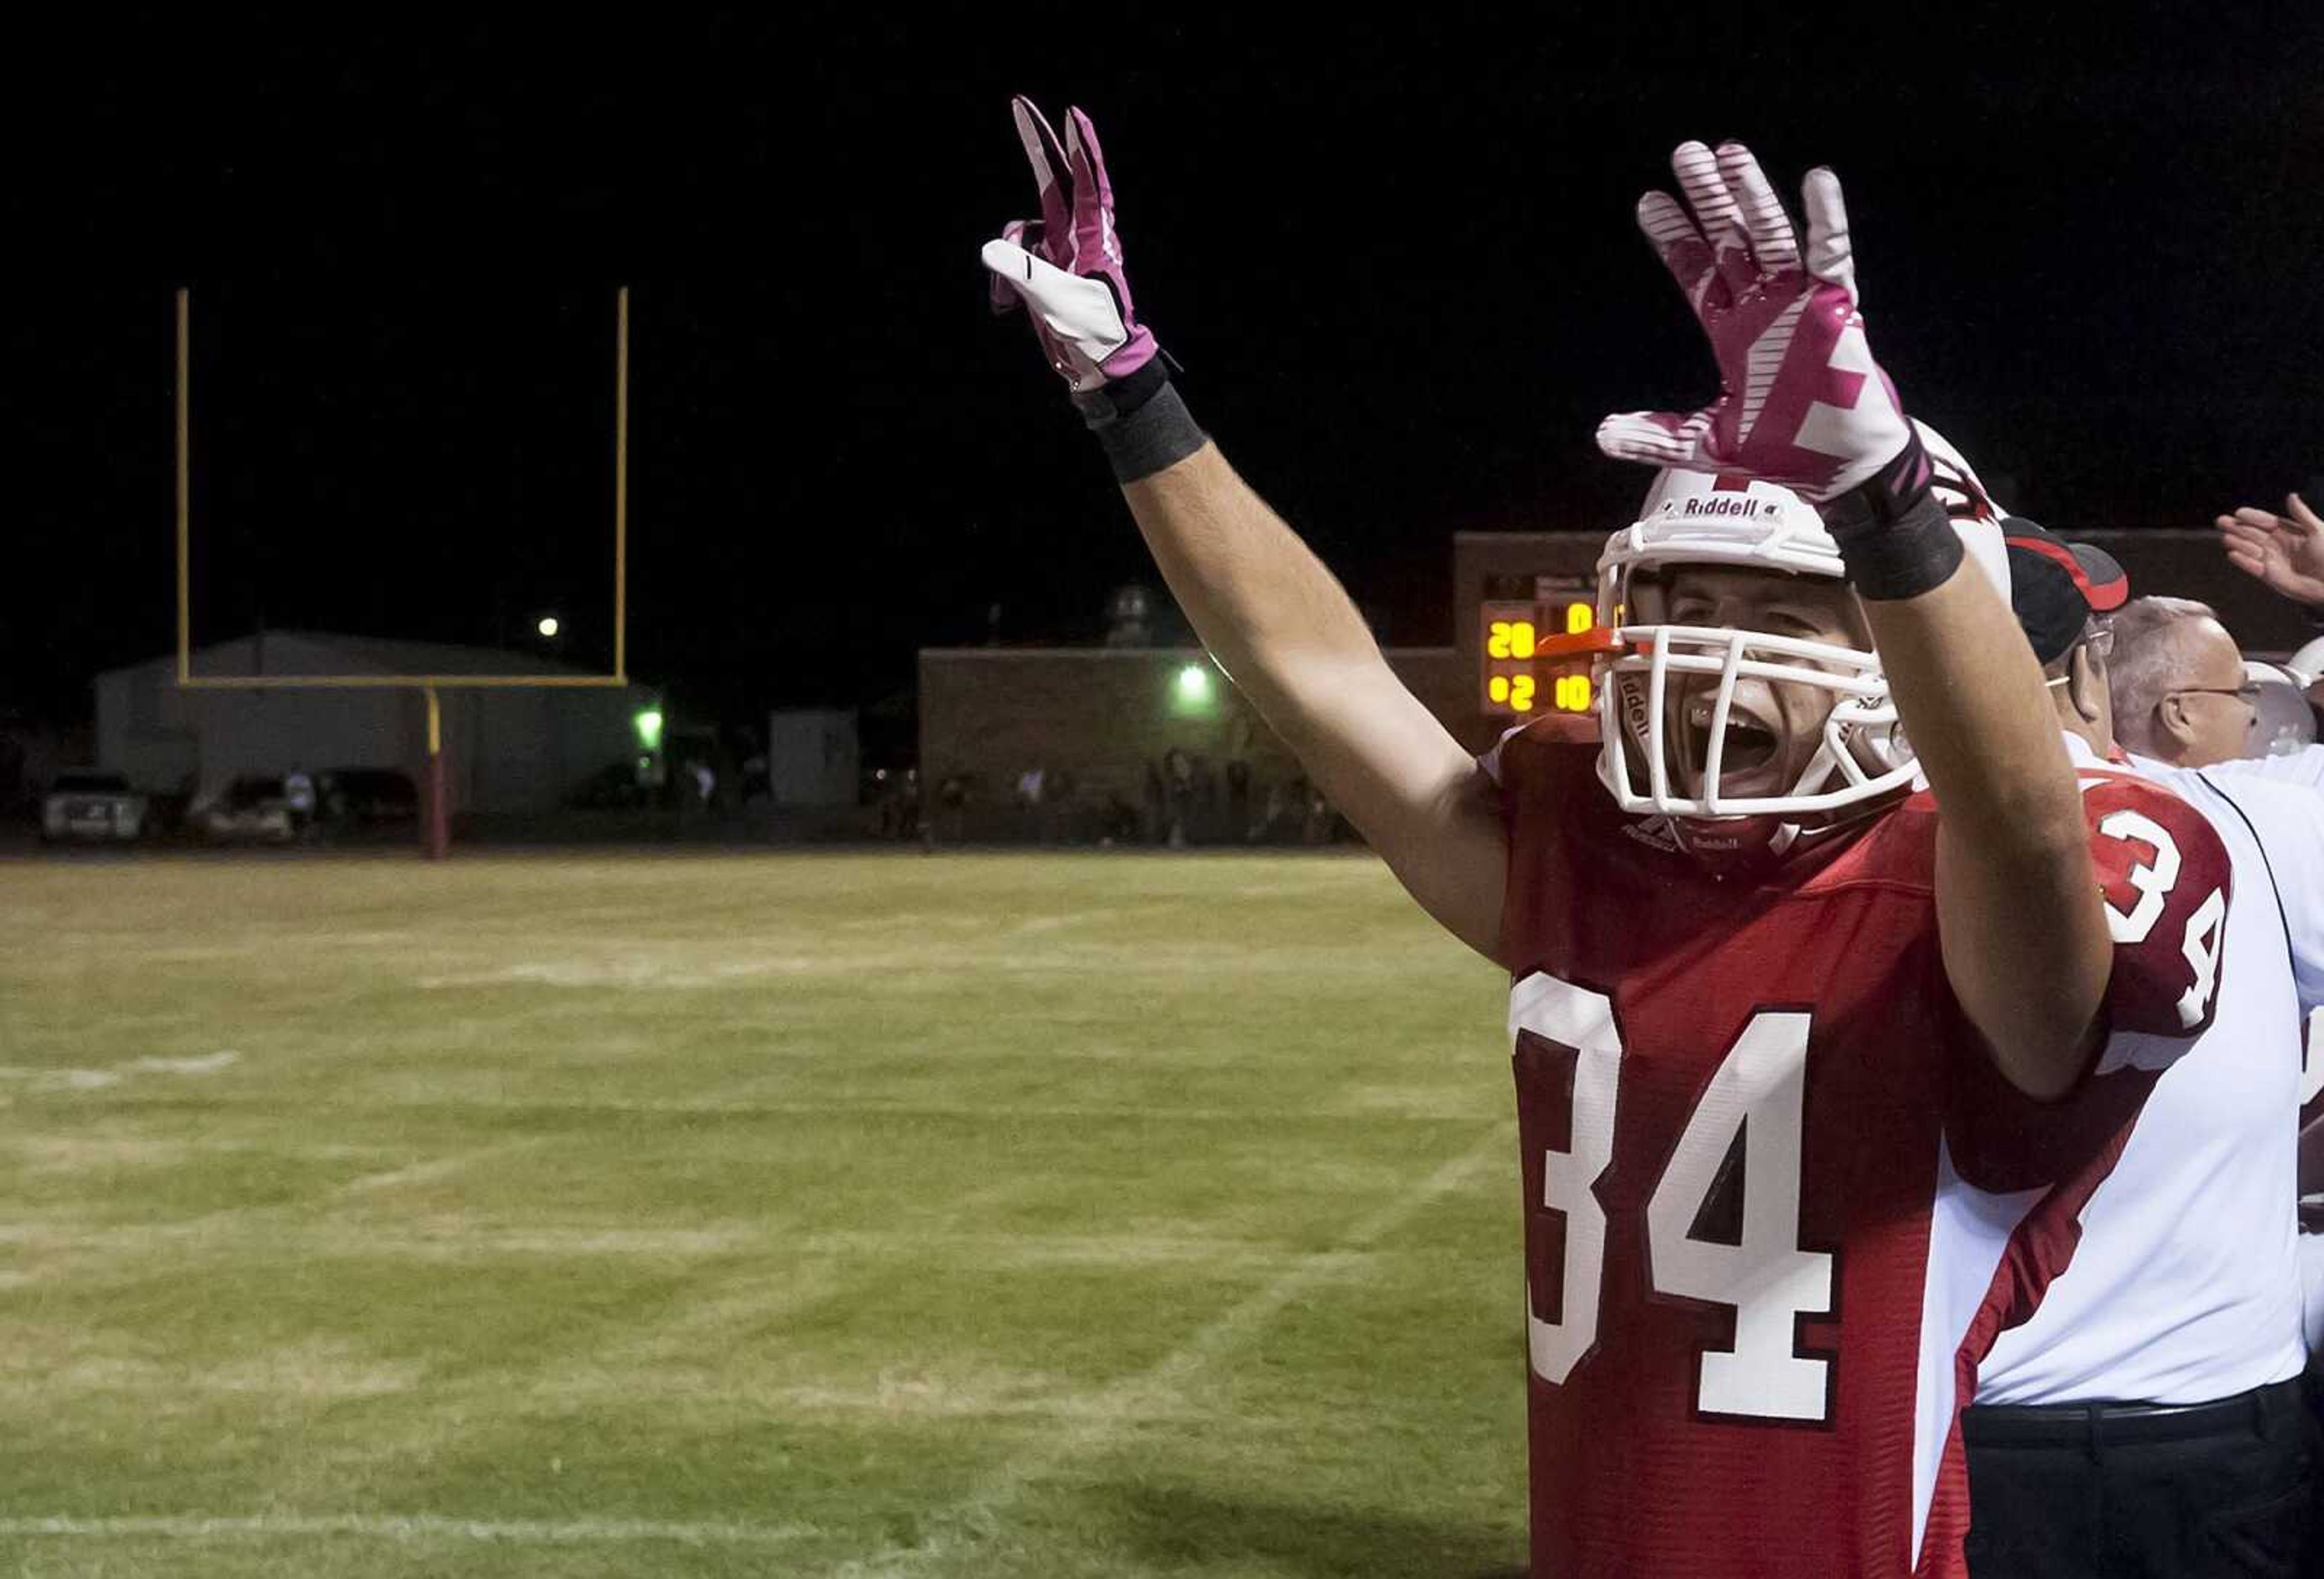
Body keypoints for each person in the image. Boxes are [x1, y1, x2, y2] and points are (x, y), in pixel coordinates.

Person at [983, 111, 2231, 1575]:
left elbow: (2018, 834)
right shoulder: (1592, 843)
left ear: (1910, 637)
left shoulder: (2026, 888)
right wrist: (1135, 402)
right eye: (1690, 604)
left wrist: (1883, 502)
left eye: (1777, 615)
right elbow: (1317, 679)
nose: (1714, 658)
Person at [1958, 520, 2324, 1577]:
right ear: (2084, 670)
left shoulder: (1862, 837)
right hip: (2209, 1425)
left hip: (1962, 1425)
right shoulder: (2256, 822)